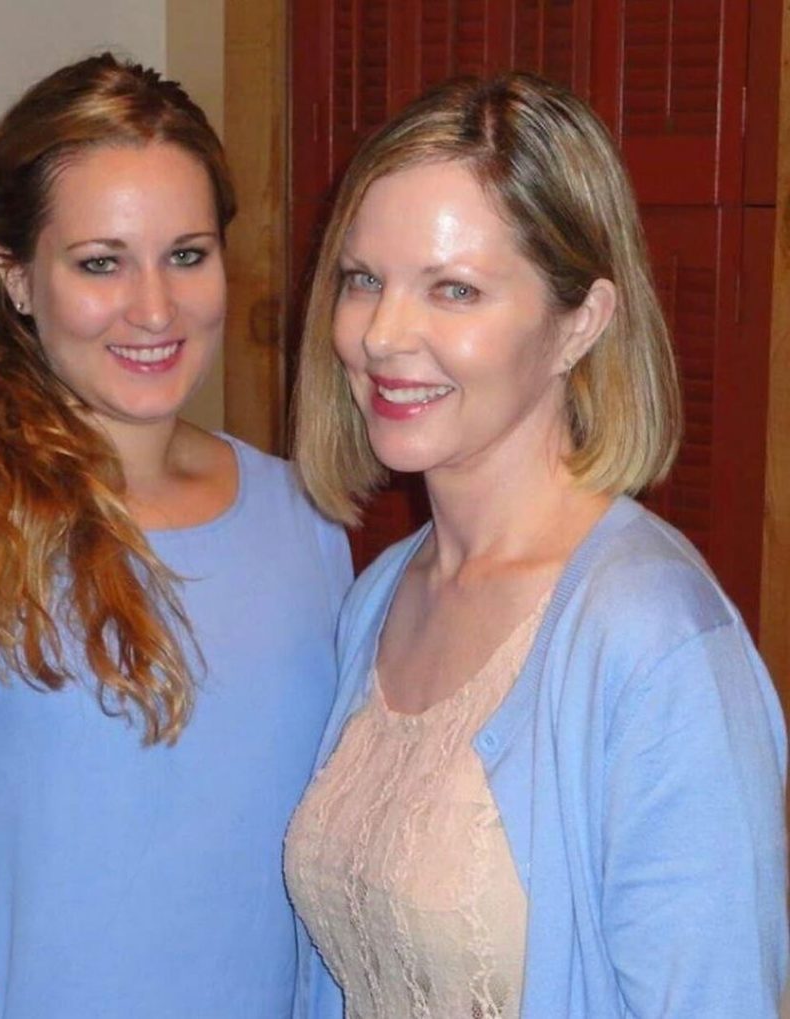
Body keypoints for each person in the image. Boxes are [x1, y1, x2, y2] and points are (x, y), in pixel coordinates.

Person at [0, 52, 351, 1019]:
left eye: (187, 255)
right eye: (100, 262)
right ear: (19, 281)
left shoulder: (303, 515)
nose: (154, 308)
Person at [284, 72, 787, 1018]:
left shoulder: (657, 644)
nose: (382, 335)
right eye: (363, 280)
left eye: (455, 289)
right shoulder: (382, 594)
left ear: (578, 325)